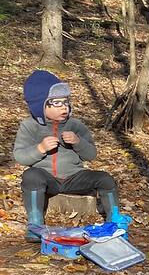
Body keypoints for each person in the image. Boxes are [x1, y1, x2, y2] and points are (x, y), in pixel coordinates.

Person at [14, 70, 127, 242]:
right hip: (46, 178)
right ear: (40, 105)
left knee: (105, 179)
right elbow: (20, 156)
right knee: (31, 175)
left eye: (66, 102)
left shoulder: (76, 125)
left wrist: (78, 142)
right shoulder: (29, 126)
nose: (63, 107)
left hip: (75, 177)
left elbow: (91, 155)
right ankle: (35, 225)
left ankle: (114, 222)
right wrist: (40, 148)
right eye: (56, 103)